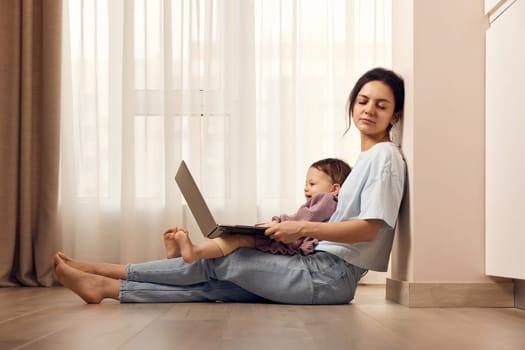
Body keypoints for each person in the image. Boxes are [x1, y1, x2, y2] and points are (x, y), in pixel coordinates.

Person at [53, 67, 406, 305]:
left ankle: (102, 269)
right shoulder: (365, 160)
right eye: (363, 101)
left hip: (329, 276)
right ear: (352, 104)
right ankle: (107, 288)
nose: (369, 110)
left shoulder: (385, 157)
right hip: (320, 270)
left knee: (226, 258)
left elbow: (368, 231)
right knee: (219, 287)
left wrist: (299, 227)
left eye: (382, 105)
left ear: (396, 115)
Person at [163, 158, 351, 263]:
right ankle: (182, 257)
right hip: (295, 240)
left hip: (295, 244)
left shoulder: (327, 200)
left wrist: (279, 222)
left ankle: (194, 252)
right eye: (305, 184)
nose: (306, 188)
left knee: (236, 239)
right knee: (236, 238)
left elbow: (302, 220)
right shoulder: (322, 202)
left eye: (312, 183)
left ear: (334, 188)